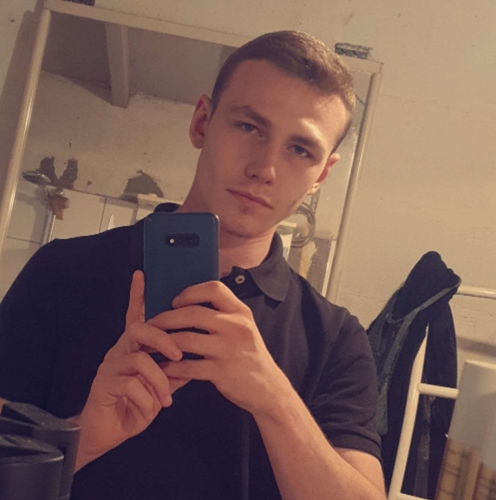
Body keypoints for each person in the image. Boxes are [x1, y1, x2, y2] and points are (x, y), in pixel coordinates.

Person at [0, 31, 385, 499]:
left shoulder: (337, 339)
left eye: (300, 149)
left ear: (321, 174)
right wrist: (85, 438)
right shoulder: (62, 272)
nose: (265, 168)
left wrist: (273, 398)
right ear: (202, 122)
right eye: (250, 127)